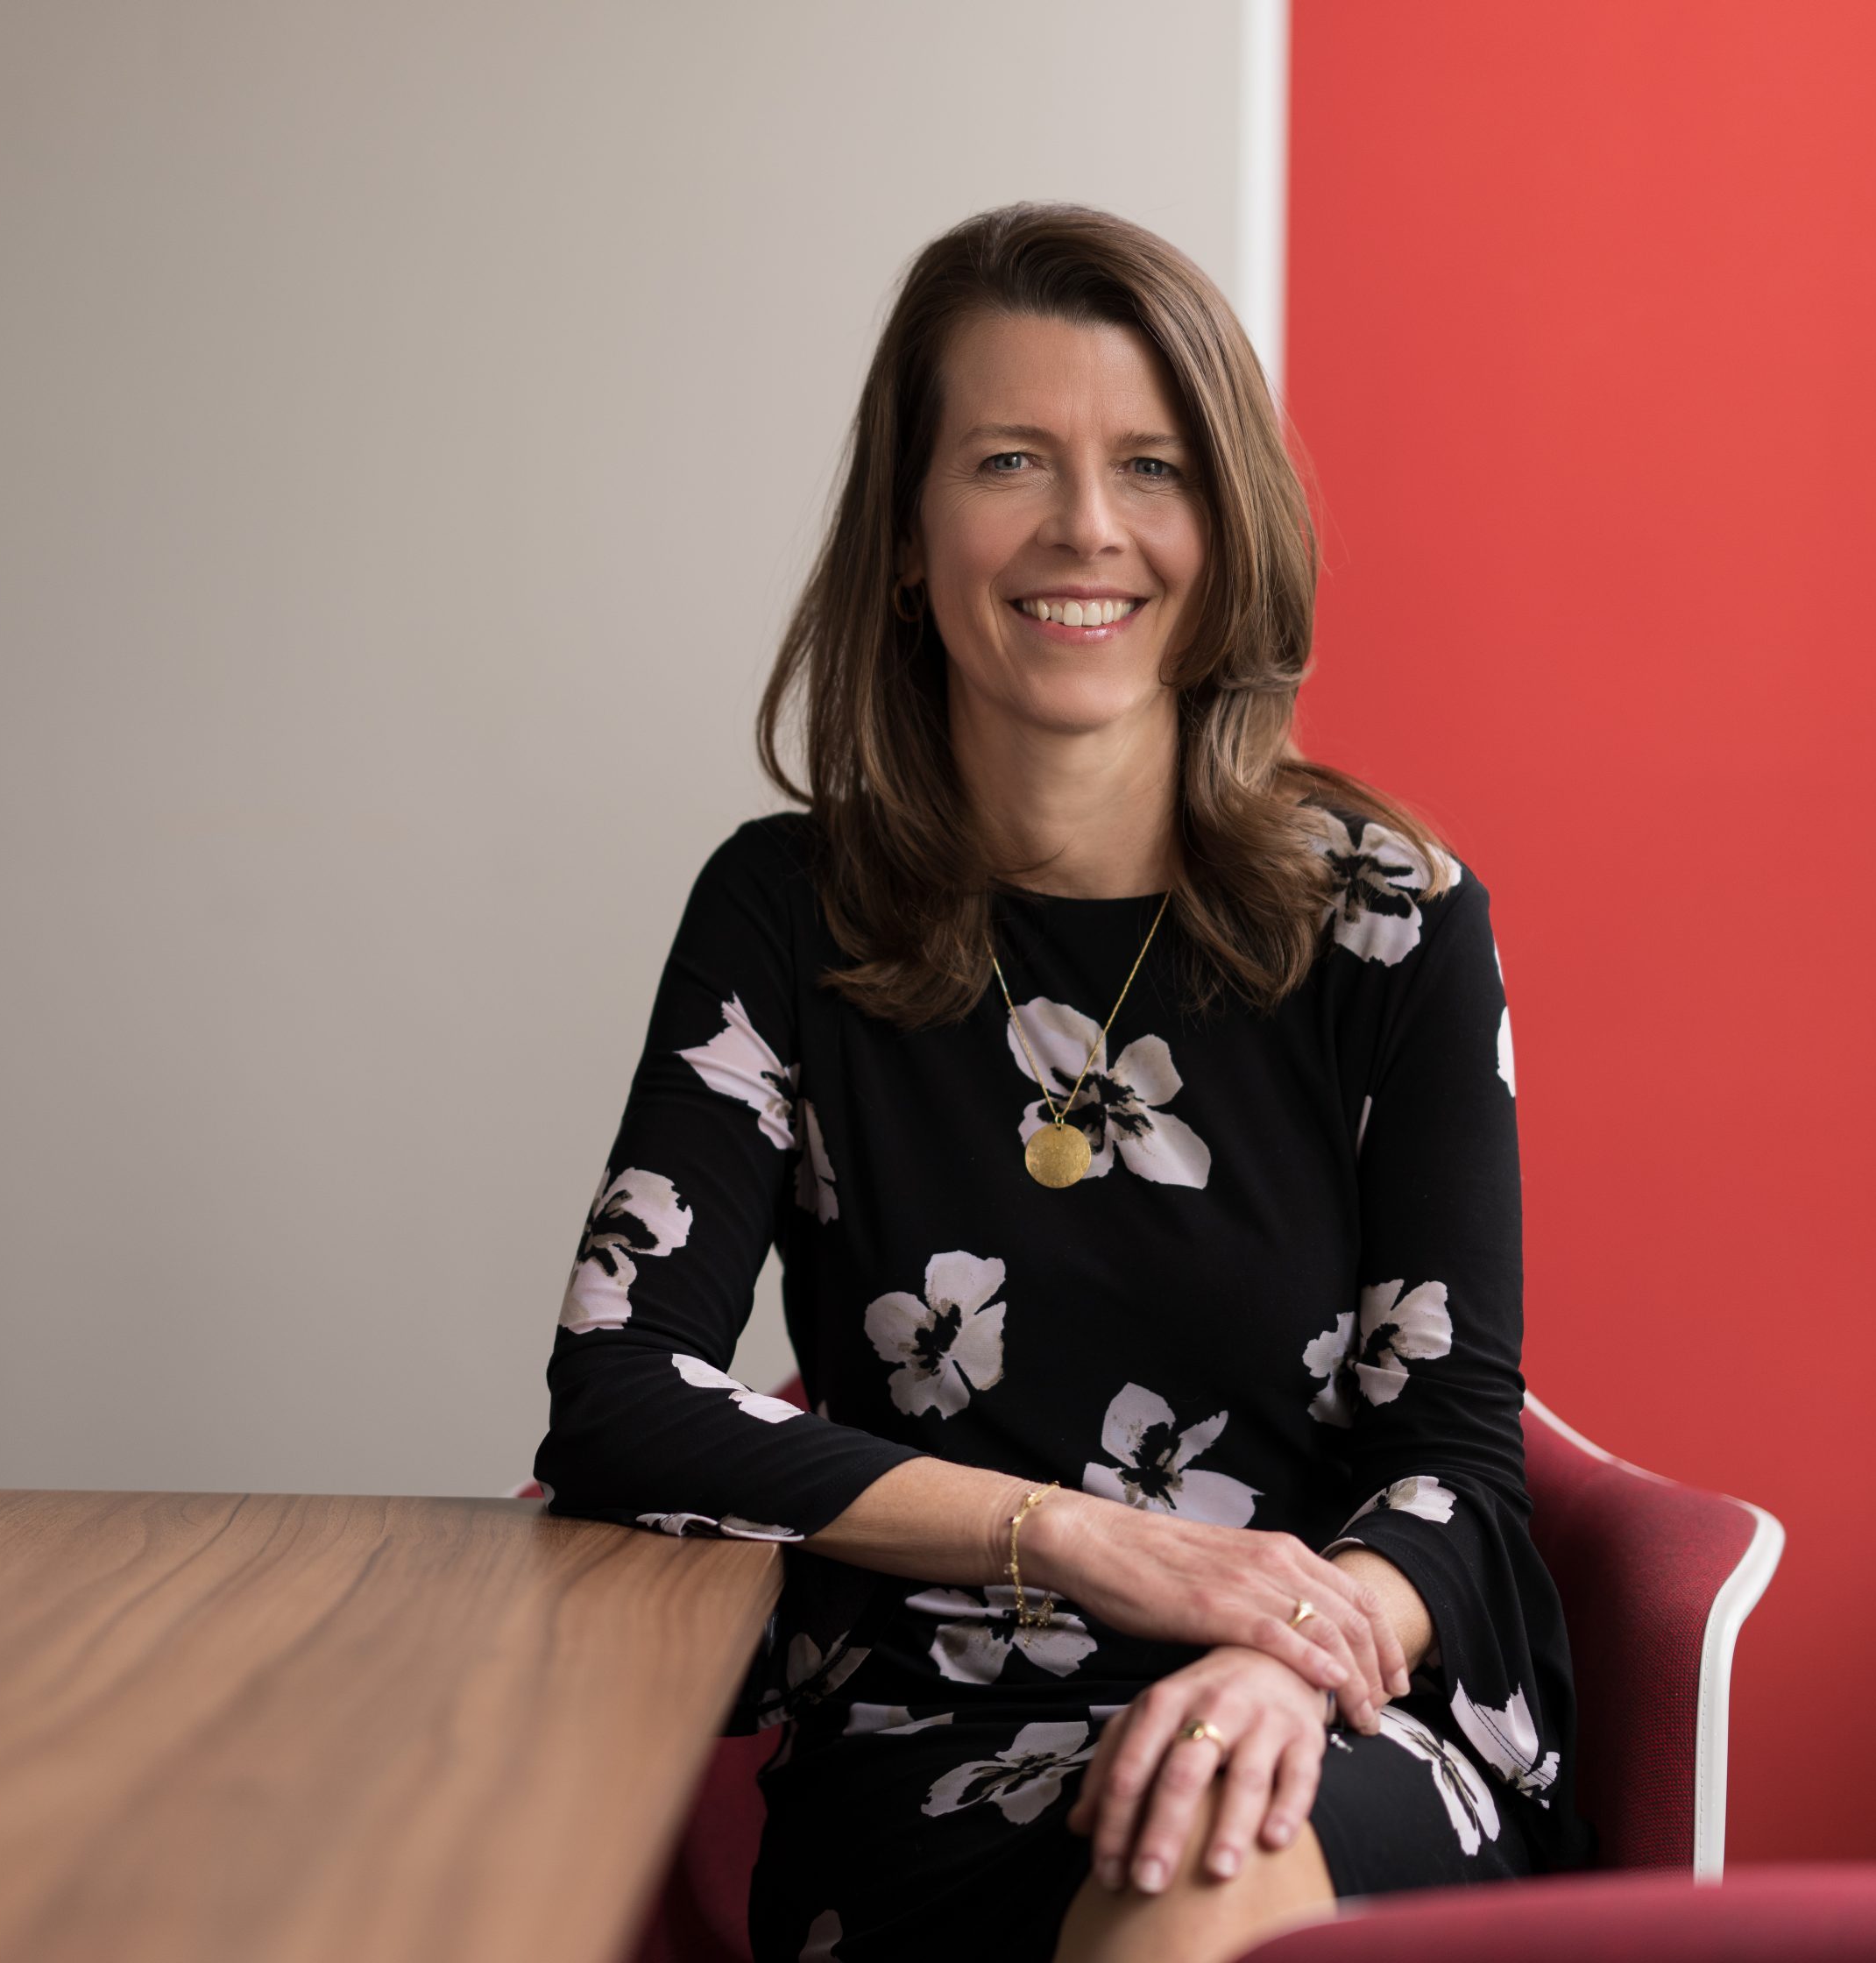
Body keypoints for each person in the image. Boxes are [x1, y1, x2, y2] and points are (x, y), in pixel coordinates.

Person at [531, 202, 1589, 1963]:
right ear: (906, 532)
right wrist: (1100, 1547)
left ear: (1226, 527)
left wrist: (1263, 1658)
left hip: (1336, 1710)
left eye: (1153, 467)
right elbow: (618, 1399)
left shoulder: (1393, 924)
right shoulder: (790, 917)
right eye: (1012, 458)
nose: (1087, 529)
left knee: (1208, 1845)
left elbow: (1458, 1468)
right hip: (933, 1748)